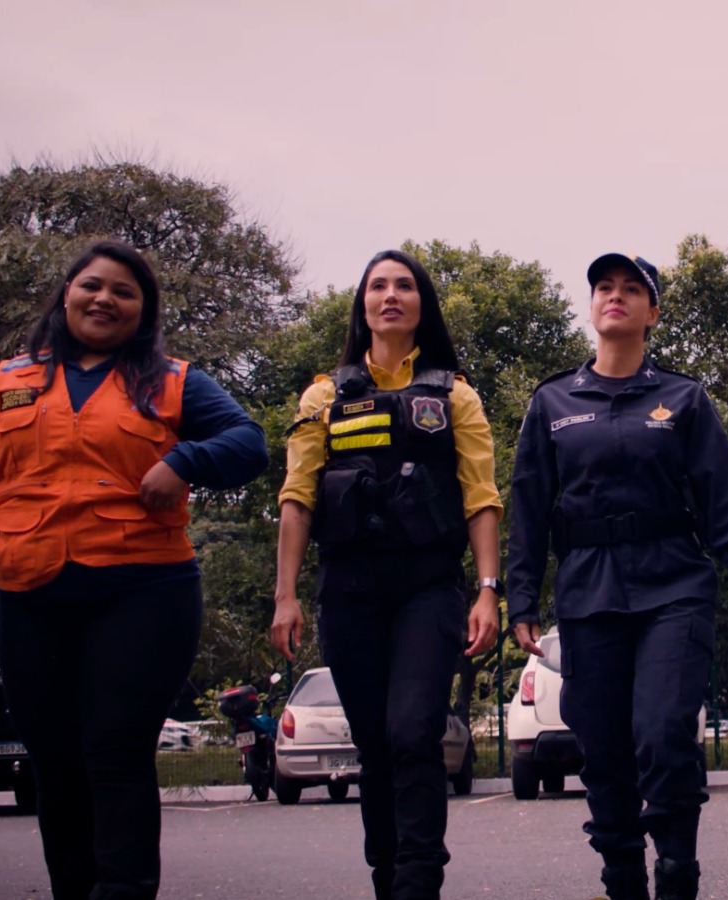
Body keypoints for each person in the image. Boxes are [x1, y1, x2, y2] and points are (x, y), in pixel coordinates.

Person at [0, 239, 269, 900]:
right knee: (54, 761)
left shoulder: (172, 380)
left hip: (144, 593)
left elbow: (249, 443)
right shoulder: (8, 382)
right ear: (67, 295)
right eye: (92, 286)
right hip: (32, 594)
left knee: (114, 752)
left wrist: (184, 461)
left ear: (143, 312)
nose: (104, 299)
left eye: (123, 292)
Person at [507, 252, 728, 900]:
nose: (616, 296)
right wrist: (521, 598)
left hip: (673, 586)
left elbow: (725, 502)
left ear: (652, 312)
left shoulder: (683, 398)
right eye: (605, 287)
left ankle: (678, 872)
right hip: (589, 591)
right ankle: (623, 879)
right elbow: (528, 505)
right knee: (602, 749)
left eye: (632, 289)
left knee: (662, 733)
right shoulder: (553, 401)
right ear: (592, 306)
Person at [270, 249, 502, 900]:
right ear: (363, 304)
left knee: (412, 733)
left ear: (422, 304)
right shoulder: (324, 396)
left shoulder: (454, 394)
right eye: (378, 286)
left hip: (428, 587)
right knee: (375, 745)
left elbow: (481, 498)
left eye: (404, 285)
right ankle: (387, 879)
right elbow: (298, 498)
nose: (391, 295)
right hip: (349, 591)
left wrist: (488, 591)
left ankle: (418, 883)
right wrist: (285, 596)